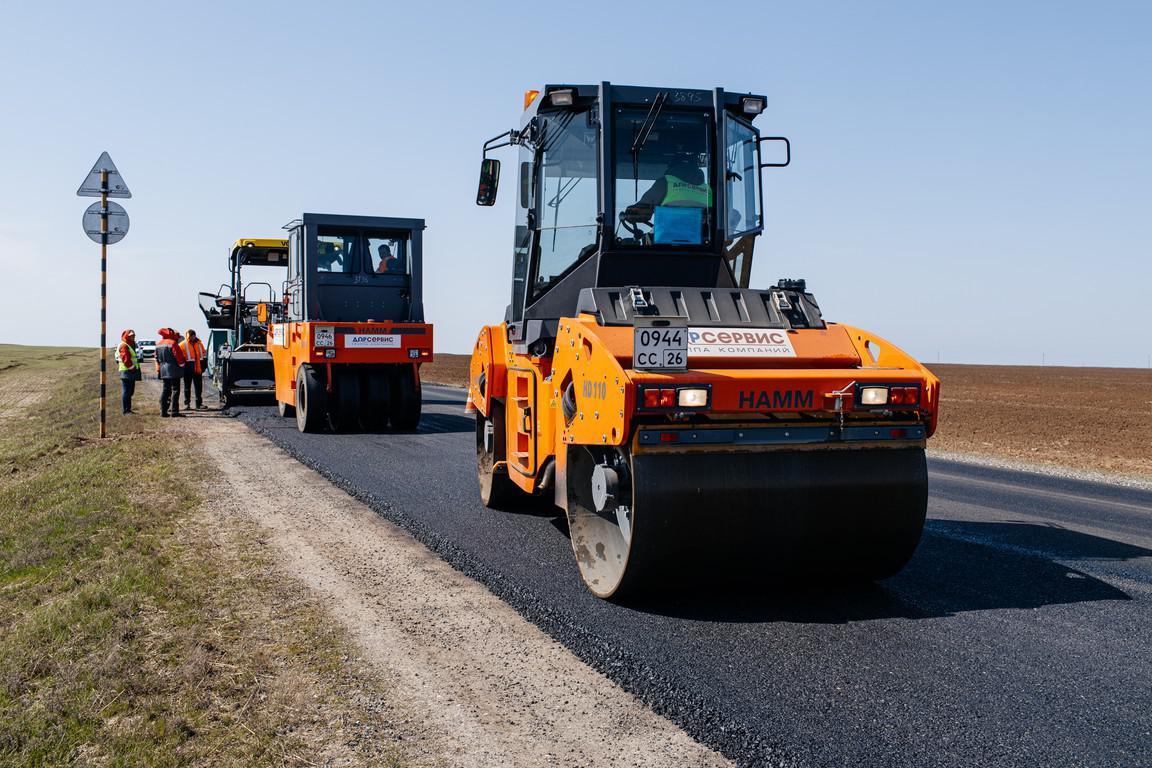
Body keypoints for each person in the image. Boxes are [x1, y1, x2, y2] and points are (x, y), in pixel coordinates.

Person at [155, 327, 186, 417]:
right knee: (175, 390)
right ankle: (174, 411)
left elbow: (156, 358)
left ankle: (163, 411)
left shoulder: (158, 344)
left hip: (163, 370)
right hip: (174, 370)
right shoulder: (173, 343)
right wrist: (182, 365)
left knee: (165, 390)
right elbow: (179, 357)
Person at [180, 329, 207, 410]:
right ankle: (187, 404)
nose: (193, 337)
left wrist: (204, 366)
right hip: (187, 368)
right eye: (191, 336)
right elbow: (179, 357)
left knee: (199, 387)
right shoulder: (182, 345)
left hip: (198, 368)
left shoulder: (199, 344)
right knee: (187, 387)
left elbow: (204, 355)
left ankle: (199, 404)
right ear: (188, 336)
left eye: (194, 335)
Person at [117, 329, 142, 414]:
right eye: (131, 336)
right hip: (127, 371)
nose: (133, 337)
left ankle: (128, 409)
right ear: (127, 336)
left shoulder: (130, 344)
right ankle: (126, 410)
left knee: (130, 391)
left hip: (130, 371)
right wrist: (132, 368)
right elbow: (126, 360)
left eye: (134, 335)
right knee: (127, 391)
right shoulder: (124, 345)